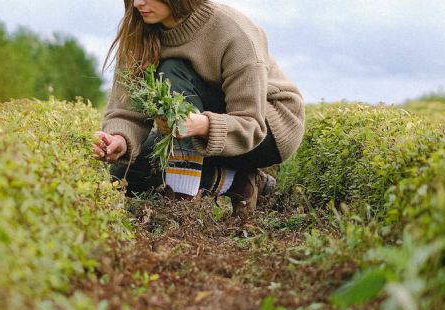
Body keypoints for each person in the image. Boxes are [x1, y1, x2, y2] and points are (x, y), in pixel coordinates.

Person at [93, 0, 304, 218]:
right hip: (198, 127)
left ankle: (181, 210)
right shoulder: (139, 26)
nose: (137, 3)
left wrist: (203, 125)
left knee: (172, 69)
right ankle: (240, 183)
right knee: (125, 174)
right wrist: (120, 139)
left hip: (268, 129)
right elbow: (126, 108)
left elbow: (252, 124)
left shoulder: (233, 31)